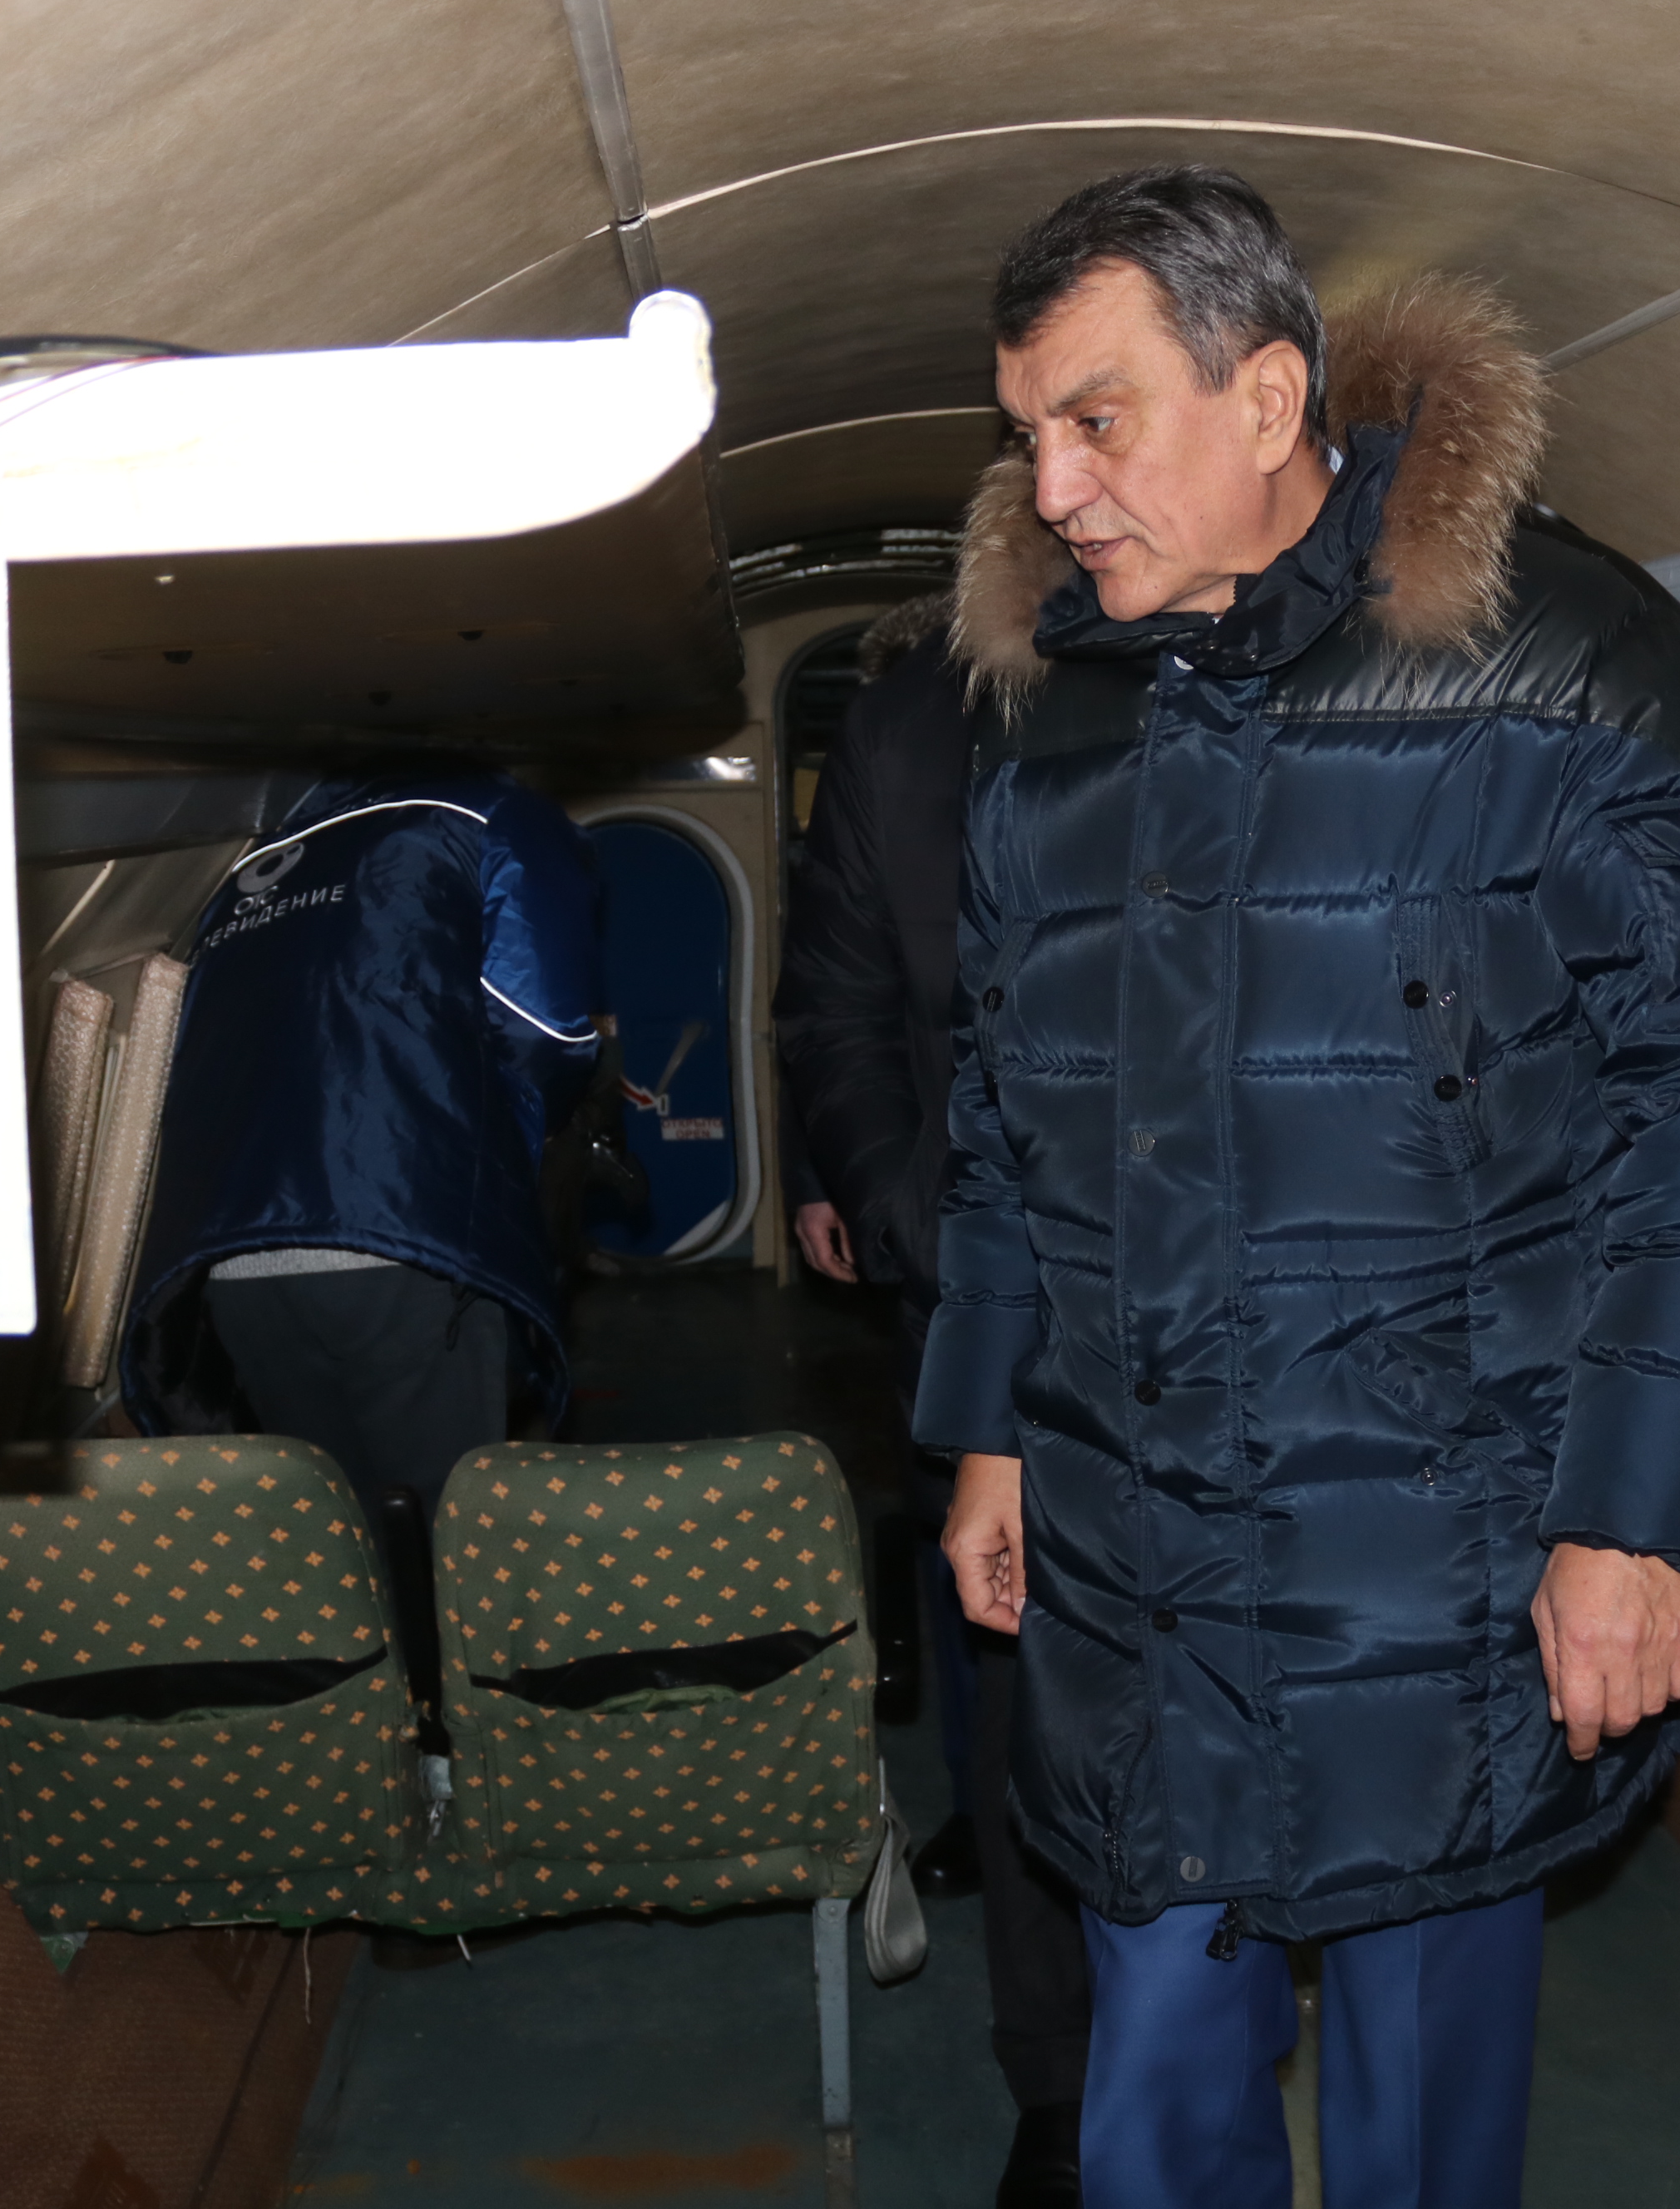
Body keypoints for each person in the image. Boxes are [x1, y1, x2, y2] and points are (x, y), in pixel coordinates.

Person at [919, 168, 1680, 2209]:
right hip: (1136, 1567)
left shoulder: (1565, 660)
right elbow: (1002, 1102)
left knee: (1422, 2131)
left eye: (1095, 420)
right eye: (1030, 434)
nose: (1052, 489)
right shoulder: (1054, 720)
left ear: (1267, 397)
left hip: (1438, 1570)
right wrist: (989, 1426)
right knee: (1150, 2121)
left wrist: (1636, 1518)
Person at [775, 595, 1097, 2209]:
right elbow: (830, 1005)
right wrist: (905, 1212)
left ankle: (1194, 2029)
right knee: (1019, 1658)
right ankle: (1062, 2082)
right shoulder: (906, 736)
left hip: (1218, 1305)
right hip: (975, 1286)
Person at [120, 769, 607, 1531]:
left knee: (333, 1533)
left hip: (234, 1254)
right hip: (402, 1222)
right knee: (451, 1528)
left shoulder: (262, 856)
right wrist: (536, 1128)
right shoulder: (491, 815)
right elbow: (544, 1028)